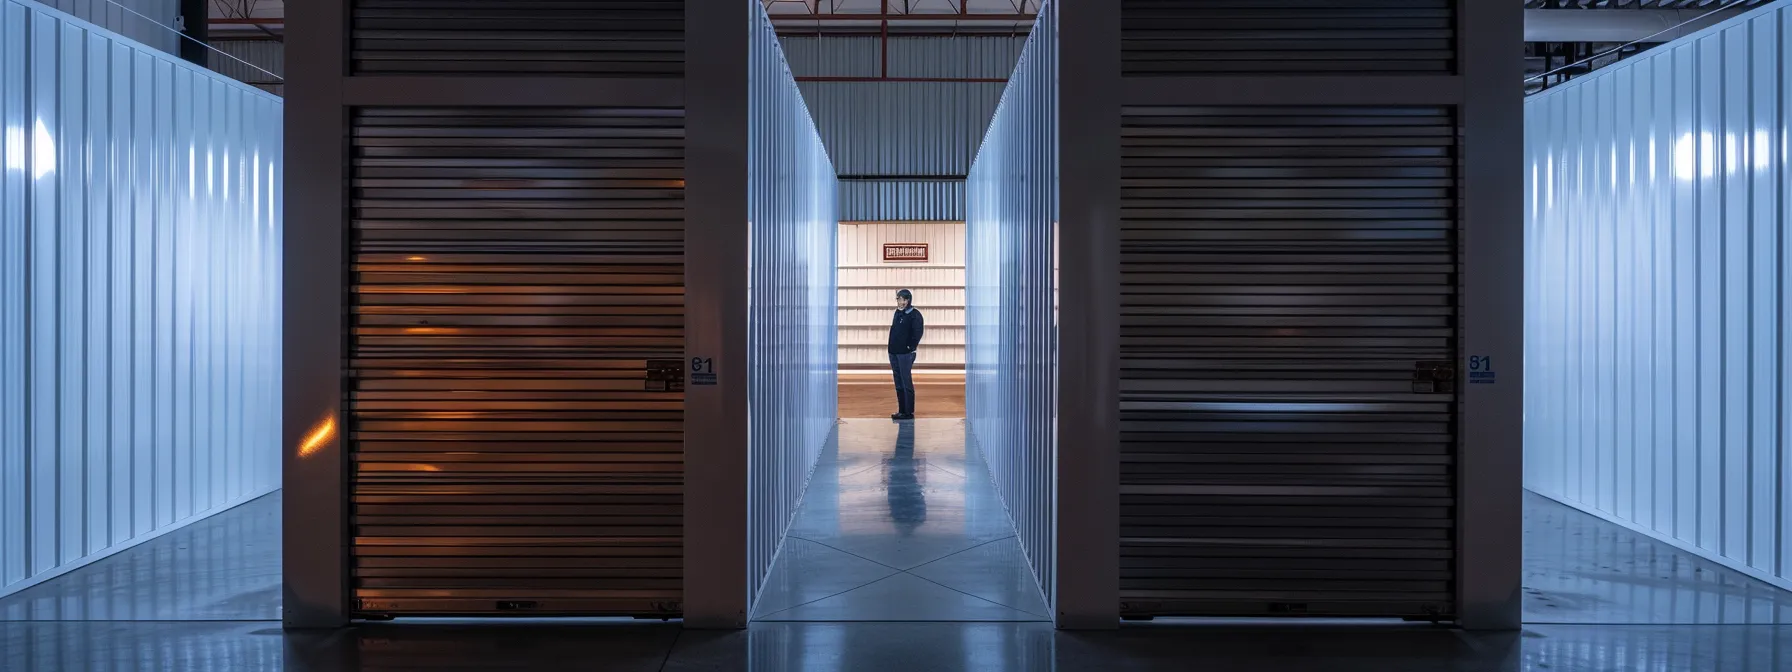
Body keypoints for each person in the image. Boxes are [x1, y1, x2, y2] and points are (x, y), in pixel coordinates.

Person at [887, 288, 925, 420]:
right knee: (898, 382)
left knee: (905, 381)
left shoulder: (915, 314)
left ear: (908, 300)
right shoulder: (897, 313)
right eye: (898, 299)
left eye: (903, 299)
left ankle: (908, 411)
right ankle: (901, 410)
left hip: (905, 354)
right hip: (894, 352)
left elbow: (917, 333)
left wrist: (910, 347)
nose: (900, 302)